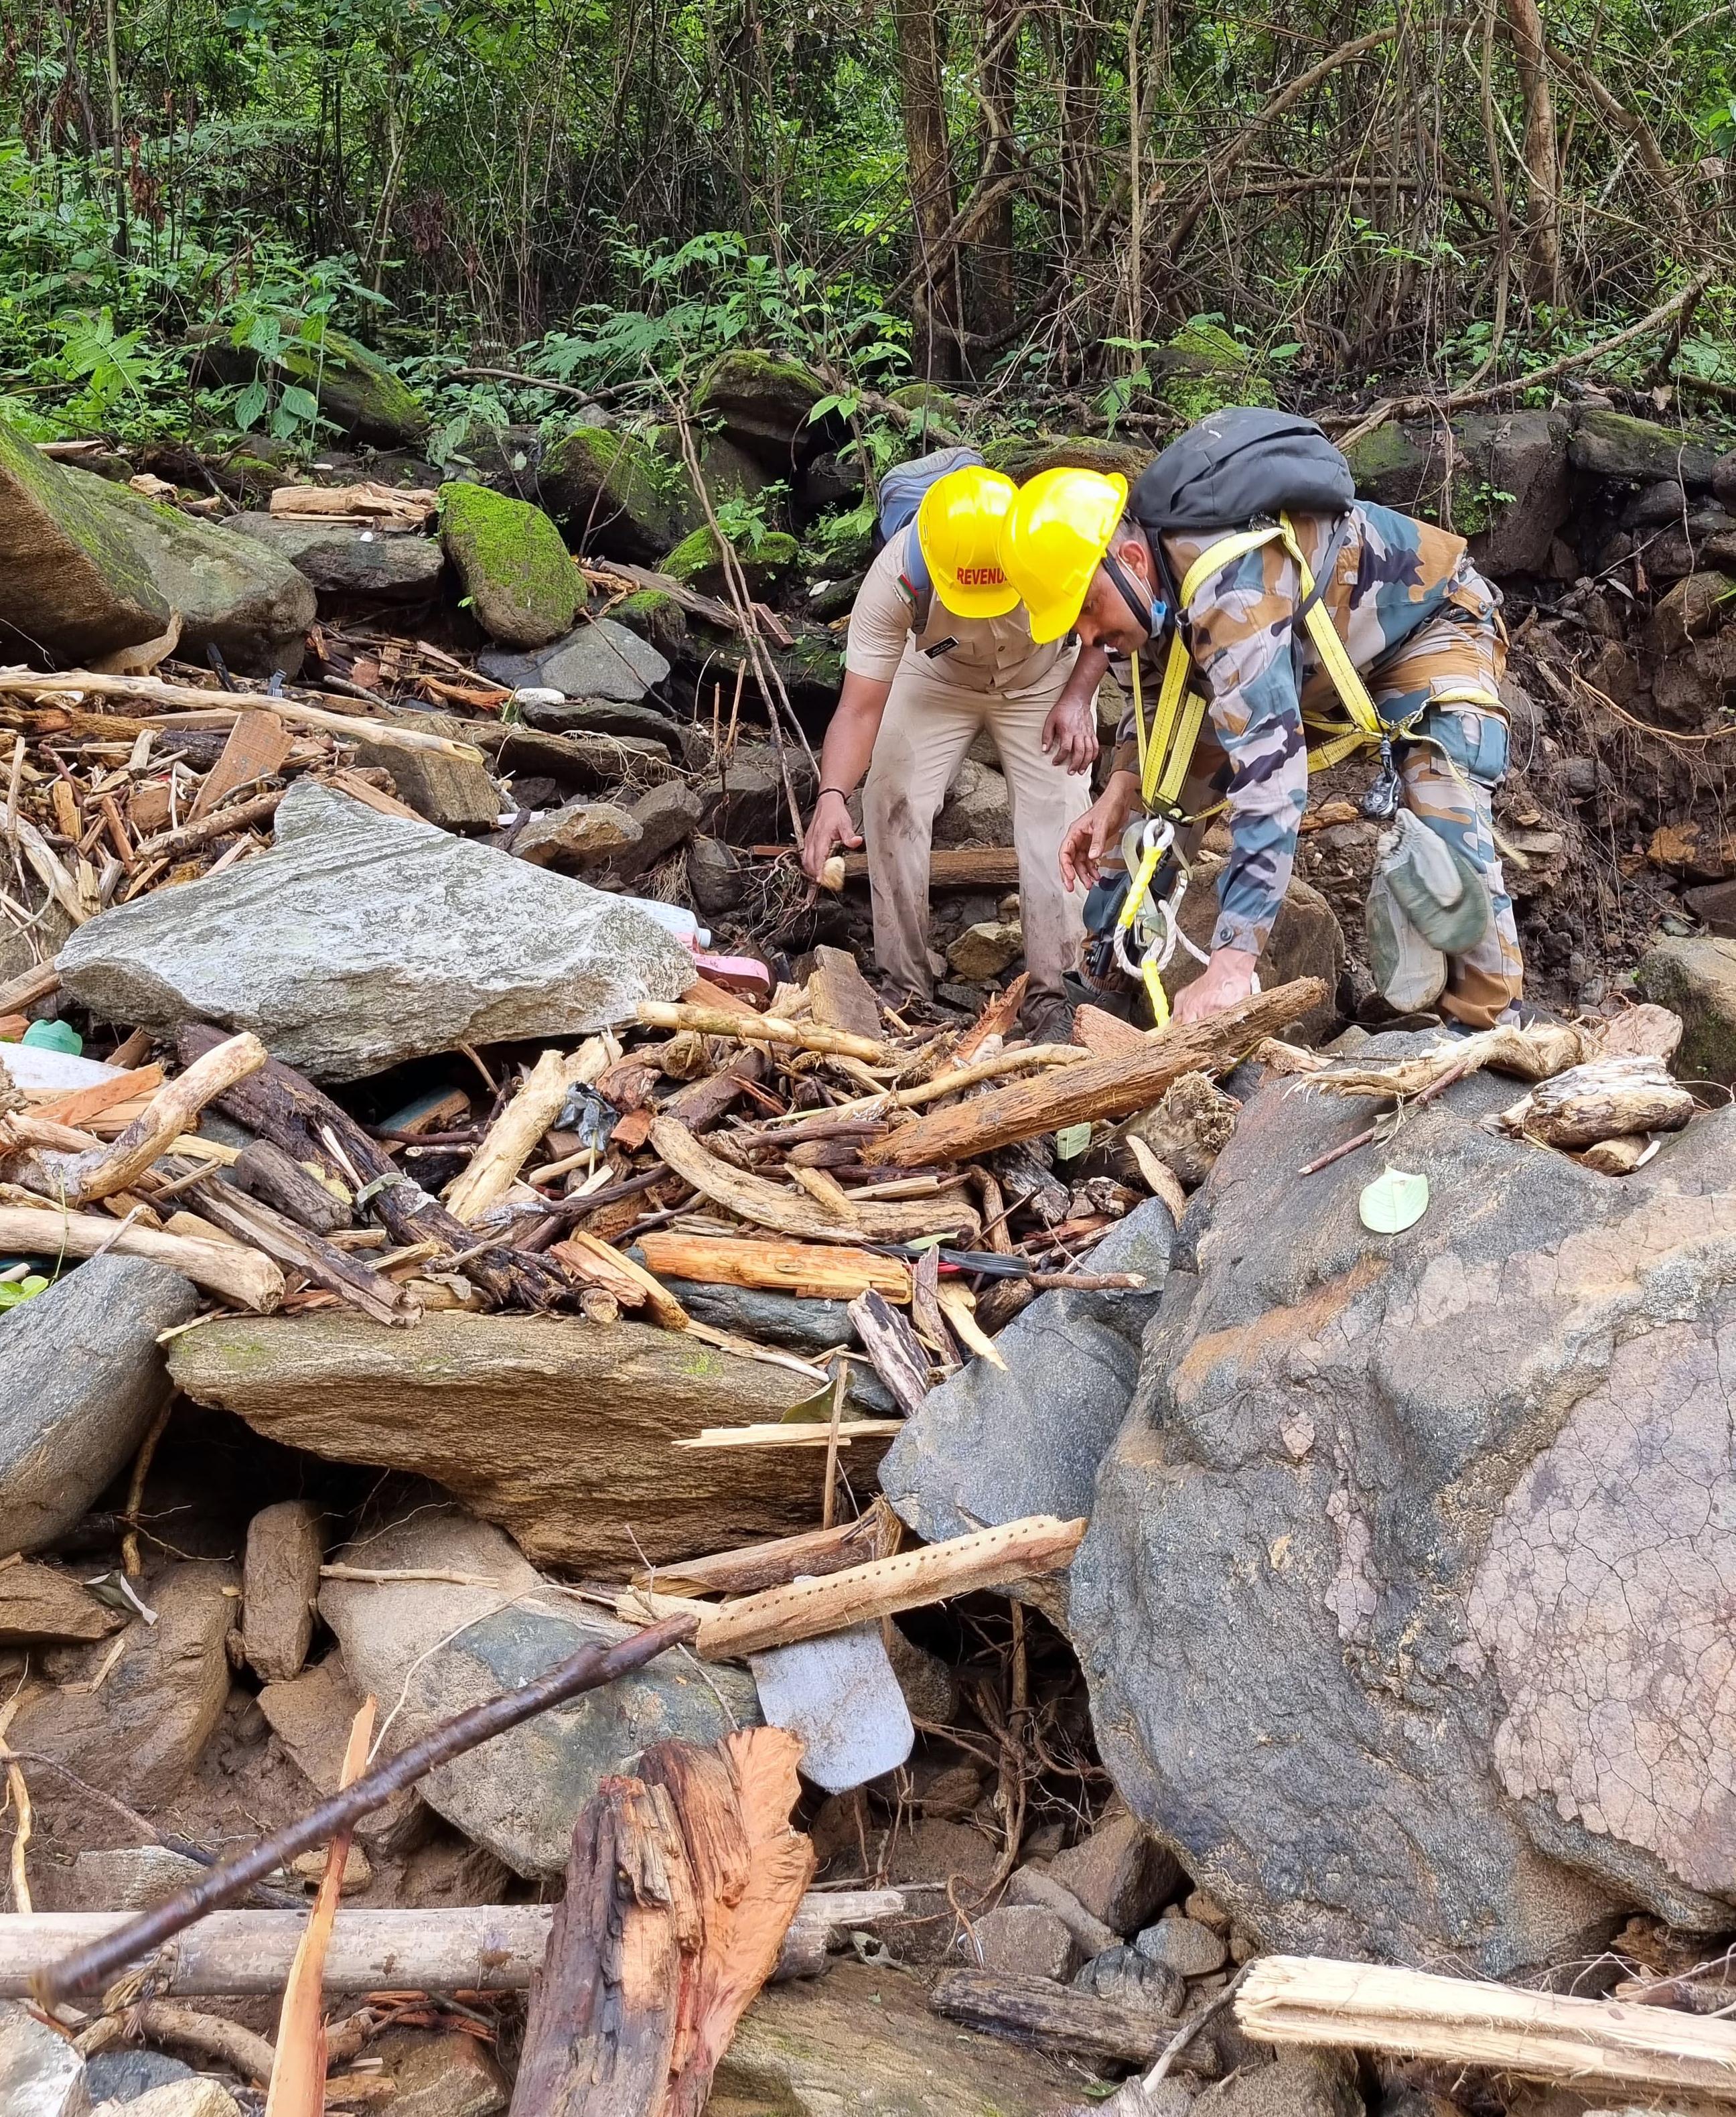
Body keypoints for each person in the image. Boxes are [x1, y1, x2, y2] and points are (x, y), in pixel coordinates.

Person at [997, 446, 1523, 1032]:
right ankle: (1106, 981)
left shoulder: (1230, 590)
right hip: (1306, 662)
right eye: (1075, 626)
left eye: (1089, 609)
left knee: (1443, 799)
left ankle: (1487, 1029)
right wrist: (1121, 786)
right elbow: (1154, 705)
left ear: (1128, 558)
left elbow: (1270, 781)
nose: (1091, 636)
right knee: (1155, 805)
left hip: (1424, 626)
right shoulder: (1143, 597)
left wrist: (1232, 962)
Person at [800, 463, 1096, 1043]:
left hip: (1042, 680)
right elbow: (860, 708)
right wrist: (832, 795)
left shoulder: (1057, 541)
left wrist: (1081, 697)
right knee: (892, 796)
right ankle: (904, 986)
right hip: (937, 674)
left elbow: (1110, 621)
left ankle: (1058, 995)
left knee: (1059, 821)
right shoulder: (898, 578)